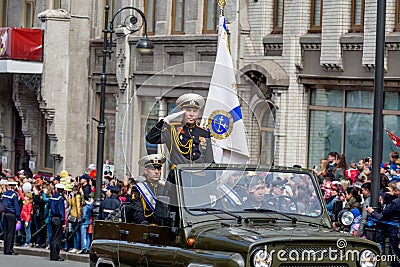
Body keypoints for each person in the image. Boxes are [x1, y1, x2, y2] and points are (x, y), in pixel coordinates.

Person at [146, 93, 214, 185]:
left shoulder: (204, 133)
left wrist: (212, 183)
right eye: (188, 111)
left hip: (199, 179)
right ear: (182, 111)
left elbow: (209, 160)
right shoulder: (172, 130)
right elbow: (151, 138)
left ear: (198, 113)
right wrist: (163, 121)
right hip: (178, 178)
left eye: (194, 111)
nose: (191, 114)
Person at [130, 154, 167, 224]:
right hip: (147, 227)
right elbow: (137, 210)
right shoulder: (138, 188)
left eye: (158, 169)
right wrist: (143, 223)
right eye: (153, 169)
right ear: (146, 171)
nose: (157, 172)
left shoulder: (165, 187)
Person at [49, 183, 66, 261]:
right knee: (57, 238)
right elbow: (61, 211)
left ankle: (52, 254)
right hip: (58, 219)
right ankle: (56, 255)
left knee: (53, 237)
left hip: (52, 217)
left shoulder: (52, 197)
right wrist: (63, 222)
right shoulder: (60, 199)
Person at [2, 181, 20, 255]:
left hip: (5, 213)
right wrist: (18, 217)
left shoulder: (4, 194)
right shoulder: (14, 195)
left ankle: (5, 249)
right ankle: (9, 249)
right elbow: (16, 207)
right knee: (11, 232)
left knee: (6, 232)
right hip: (11, 214)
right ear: (14, 187)